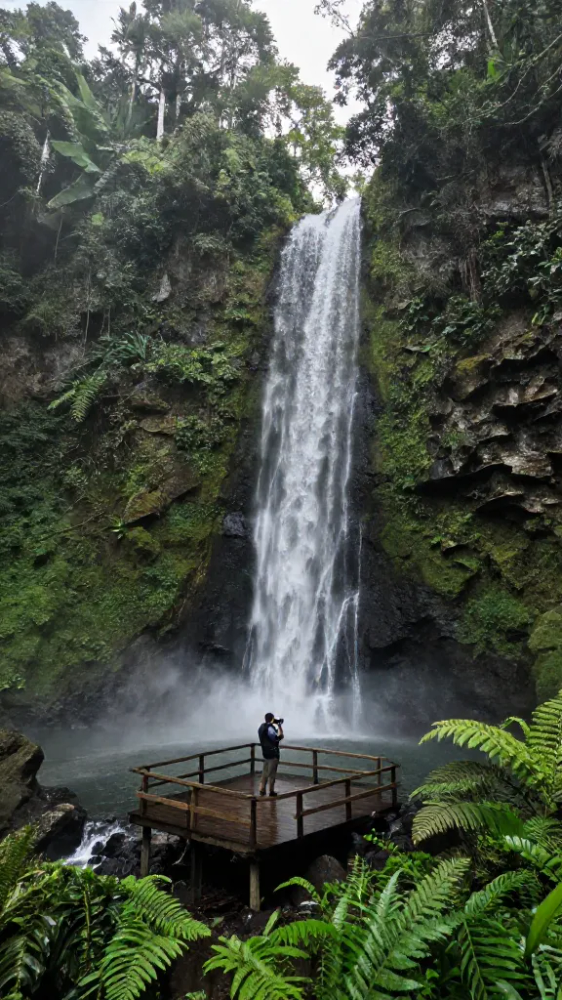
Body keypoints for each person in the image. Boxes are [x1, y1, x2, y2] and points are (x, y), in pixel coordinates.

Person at [257, 712, 284, 797]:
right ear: (272, 719)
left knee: (265, 772)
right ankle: (271, 791)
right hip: (273, 753)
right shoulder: (270, 729)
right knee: (272, 773)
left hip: (265, 752)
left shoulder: (261, 727)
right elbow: (278, 738)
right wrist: (279, 726)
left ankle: (262, 789)